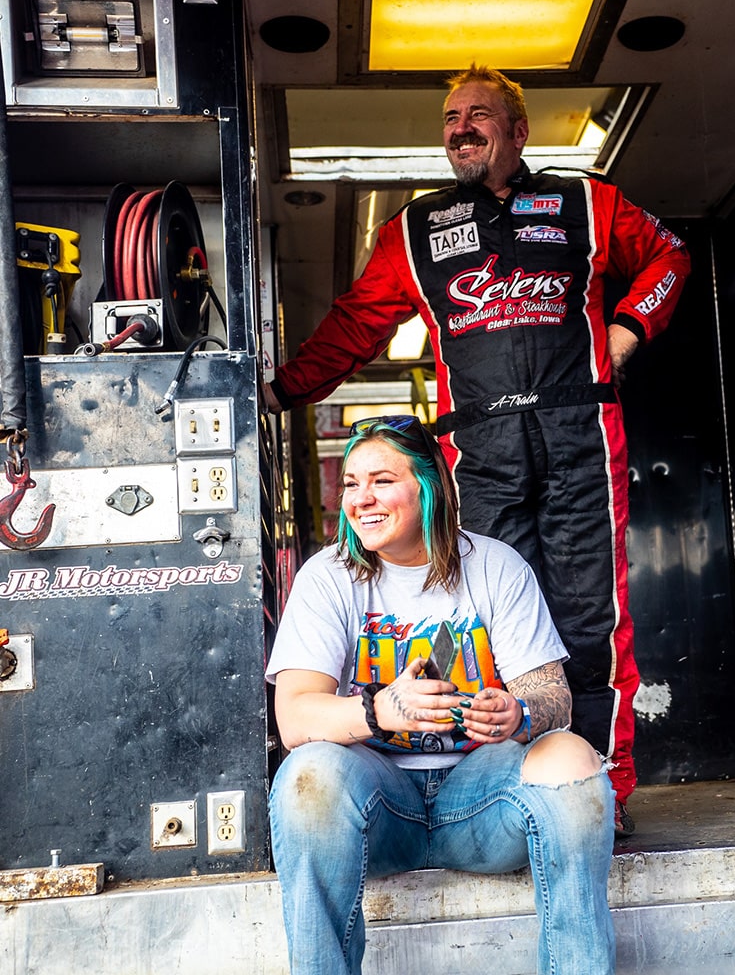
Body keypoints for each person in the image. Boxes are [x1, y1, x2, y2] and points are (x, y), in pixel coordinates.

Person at [265, 63, 691, 835]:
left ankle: (602, 788)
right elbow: (356, 325)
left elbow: (670, 257)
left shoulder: (583, 201)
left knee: (593, 620)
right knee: (487, 621)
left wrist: (626, 332)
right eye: (451, 117)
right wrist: (280, 391)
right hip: (480, 446)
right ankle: (501, 786)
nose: (460, 127)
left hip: (579, 434)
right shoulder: (416, 229)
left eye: (479, 115)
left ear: (519, 130)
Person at [265, 415, 616, 975]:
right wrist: (379, 709)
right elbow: (296, 716)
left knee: (572, 756)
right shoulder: (327, 578)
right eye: (352, 484)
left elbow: (554, 696)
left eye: (381, 480)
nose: (361, 499)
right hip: (376, 804)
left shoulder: (496, 566)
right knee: (308, 775)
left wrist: (517, 713)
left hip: (479, 803)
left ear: (430, 486)